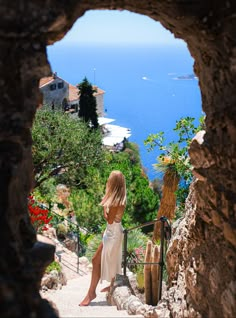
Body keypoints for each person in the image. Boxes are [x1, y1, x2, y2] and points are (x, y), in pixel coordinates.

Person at [79, 170, 126, 306]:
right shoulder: (119, 200)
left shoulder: (115, 202)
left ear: (113, 183)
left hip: (112, 233)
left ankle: (91, 293)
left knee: (96, 260)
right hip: (114, 232)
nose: (107, 181)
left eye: (109, 180)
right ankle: (110, 285)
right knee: (109, 259)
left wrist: (104, 208)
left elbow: (109, 220)